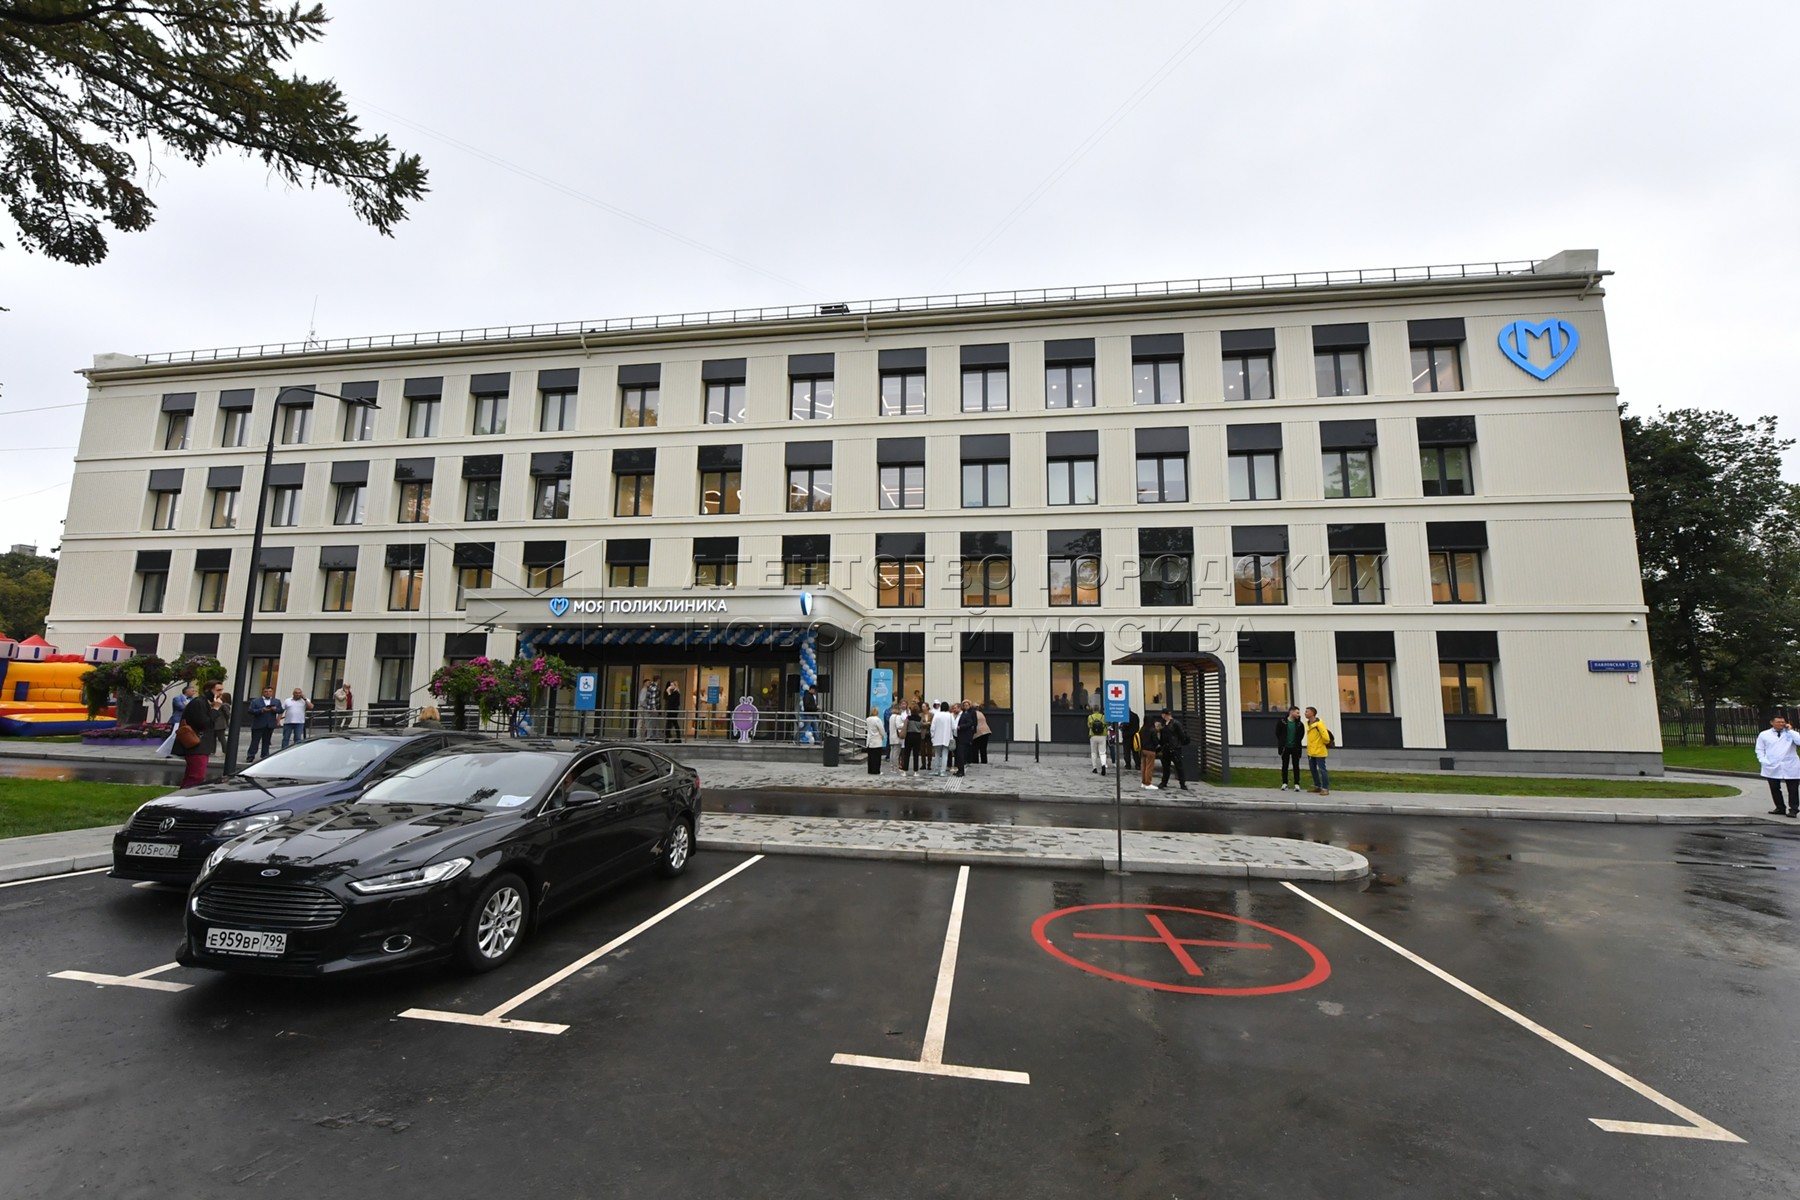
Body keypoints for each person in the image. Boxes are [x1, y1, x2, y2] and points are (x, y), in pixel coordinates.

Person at [1754, 714, 1800, 816]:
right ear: (1772, 723)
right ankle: (1780, 808)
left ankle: (1794, 809)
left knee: (1793, 789)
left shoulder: (1791, 734)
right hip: (1771, 765)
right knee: (1774, 788)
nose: (1781, 724)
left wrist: (1791, 731)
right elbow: (1760, 749)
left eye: (1783, 722)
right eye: (1778, 722)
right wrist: (1762, 760)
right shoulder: (1764, 734)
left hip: (1790, 765)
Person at [178, 682, 221, 787]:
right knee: (196, 776)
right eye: (218, 690)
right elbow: (204, 723)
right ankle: (187, 794)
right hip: (196, 744)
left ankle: (185, 793)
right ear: (208, 690)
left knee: (194, 775)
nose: (221, 693)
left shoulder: (205, 703)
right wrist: (215, 709)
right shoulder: (199, 703)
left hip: (201, 745)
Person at [1304, 706, 1334, 795]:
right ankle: (1317, 786)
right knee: (1313, 769)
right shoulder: (1308, 724)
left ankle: (1325, 788)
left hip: (1319, 751)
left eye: (1307, 711)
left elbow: (1326, 738)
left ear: (1312, 713)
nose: (1305, 713)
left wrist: (1320, 744)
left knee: (1322, 770)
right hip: (1311, 751)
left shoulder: (1319, 724)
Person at [1275, 706, 1306, 791]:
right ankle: (1284, 783)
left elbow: (1301, 735)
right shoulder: (1282, 722)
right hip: (1285, 747)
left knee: (1296, 765)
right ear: (1291, 712)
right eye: (1297, 712)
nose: (1298, 714)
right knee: (1285, 765)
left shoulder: (1299, 724)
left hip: (1295, 747)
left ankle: (1297, 783)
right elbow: (1278, 733)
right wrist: (1282, 743)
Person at [245, 686, 279, 763]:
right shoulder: (255, 701)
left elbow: (280, 710)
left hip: (269, 724)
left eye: (270, 691)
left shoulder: (276, 701)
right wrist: (261, 710)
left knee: (267, 741)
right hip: (258, 724)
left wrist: (275, 709)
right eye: (266, 691)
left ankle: (265, 755)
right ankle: (251, 755)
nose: (268, 693)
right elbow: (250, 710)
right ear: (263, 692)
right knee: (255, 741)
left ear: (272, 692)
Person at [1159, 709, 1190, 791]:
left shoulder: (1175, 723)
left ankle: (1182, 783)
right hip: (1166, 747)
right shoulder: (1164, 723)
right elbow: (1162, 736)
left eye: (1163, 714)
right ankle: (1164, 782)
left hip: (1175, 747)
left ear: (1165, 715)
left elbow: (1182, 735)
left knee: (1178, 766)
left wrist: (1180, 743)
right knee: (1165, 766)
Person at [930, 701, 955, 777]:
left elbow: (932, 727)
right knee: (945, 754)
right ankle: (942, 771)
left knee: (937, 754)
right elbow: (953, 727)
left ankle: (936, 770)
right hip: (946, 737)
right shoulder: (950, 716)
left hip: (937, 737)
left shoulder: (937, 715)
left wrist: (932, 736)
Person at [954, 699, 977, 778]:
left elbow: (970, 723)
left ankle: (961, 771)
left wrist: (960, 727)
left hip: (963, 737)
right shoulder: (956, 715)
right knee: (958, 754)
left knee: (961, 754)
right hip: (957, 736)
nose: (954, 710)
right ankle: (959, 769)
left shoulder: (965, 715)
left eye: (955, 708)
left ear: (959, 708)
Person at [1139, 711, 1161, 790]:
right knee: (1149, 767)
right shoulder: (1152, 730)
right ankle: (1148, 783)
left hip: (1143, 749)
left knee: (1144, 767)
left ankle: (1143, 782)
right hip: (1150, 750)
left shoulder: (1142, 729)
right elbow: (1155, 741)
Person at [904, 702, 925, 775]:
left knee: (907, 753)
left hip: (909, 735)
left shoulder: (908, 718)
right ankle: (915, 771)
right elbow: (921, 726)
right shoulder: (920, 719)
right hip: (917, 736)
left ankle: (905, 770)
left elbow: (905, 726)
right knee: (916, 754)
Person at [865, 707, 886, 775]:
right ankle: (876, 770)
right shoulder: (878, 720)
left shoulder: (868, 719)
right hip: (877, 740)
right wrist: (883, 736)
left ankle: (870, 770)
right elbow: (881, 730)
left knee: (871, 757)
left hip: (870, 740)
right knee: (877, 757)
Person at [1087, 707, 1108, 775]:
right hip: (1102, 735)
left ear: (1093, 710)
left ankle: (1094, 768)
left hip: (1093, 735)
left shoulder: (1090, 717)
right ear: (1099, 710)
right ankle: (1103, 765)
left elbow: (1089, 726)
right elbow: (1107, 724)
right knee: (1102, 752)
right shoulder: (1103, 717)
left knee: (1094, 752)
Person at [889, 702, 909, 770]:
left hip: (892, 736)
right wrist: (904, 724)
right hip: (897, 737)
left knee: (892, 752)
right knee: (896, 753)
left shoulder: (891, 716)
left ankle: (891, 766)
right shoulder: (897, 717)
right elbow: (899, 726)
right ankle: (895, 767)